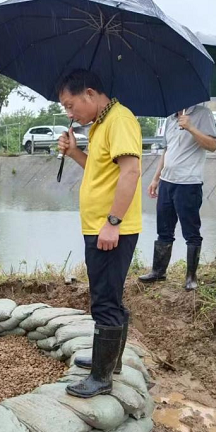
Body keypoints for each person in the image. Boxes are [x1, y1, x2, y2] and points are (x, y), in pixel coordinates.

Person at [56, 70, 142, 399]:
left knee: (104, 301)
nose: (69, 113)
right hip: (101, 227)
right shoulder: (101, 125)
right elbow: (100, 170)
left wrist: (113, 222)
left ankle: (101, 377)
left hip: (110, 229)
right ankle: (110, 361)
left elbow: (131, 171)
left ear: (89, 93)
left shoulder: (120, 119)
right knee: (109, 296)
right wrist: (75, 151)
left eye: (70, 104)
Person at [139, 105, 216, 290]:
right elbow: (167, 151)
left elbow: (213, 146)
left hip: (188, 183)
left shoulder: (202, 114)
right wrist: (156, 178)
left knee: (191, 232)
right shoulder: (170, 119)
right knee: (164, 230)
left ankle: (191, 277)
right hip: (167, 181)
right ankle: (158, 272)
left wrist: (191, 127)